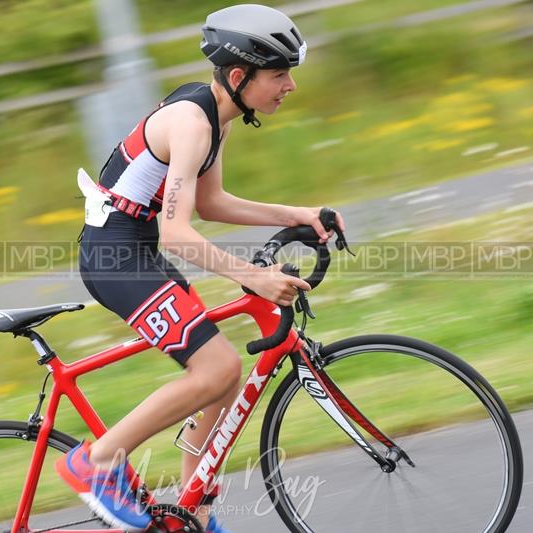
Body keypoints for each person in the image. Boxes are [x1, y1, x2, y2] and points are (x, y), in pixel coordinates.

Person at [55, 4, 345, 532]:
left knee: (221, 376)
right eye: (279, 74)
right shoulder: (191, 122)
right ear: (240, 76)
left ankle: (194, 508)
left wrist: (296, 214)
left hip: (138, 249)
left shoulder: (214, 117)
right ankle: (96, 462)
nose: (289, 86)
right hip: (116, 254)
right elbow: (177, 232)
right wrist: (253, 276)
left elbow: (210, 205)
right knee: (217, 369)